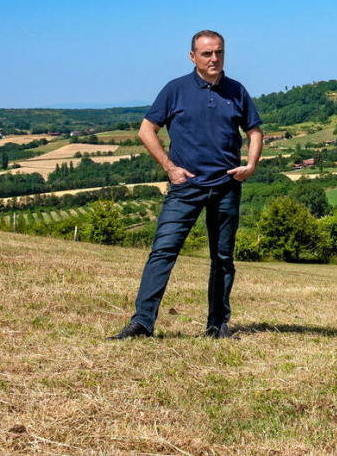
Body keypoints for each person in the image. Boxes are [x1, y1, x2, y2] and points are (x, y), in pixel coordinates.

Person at [108, 30, 263, 340]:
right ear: (193, 57)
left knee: (222, 258)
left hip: (226, 185)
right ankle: (142, 323)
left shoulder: (237, 90)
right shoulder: (175, 89)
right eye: (207, 54)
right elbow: (146, 130)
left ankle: (217, 326)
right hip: (186, 187)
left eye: (219, 52)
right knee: (163, 251)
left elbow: (255, 131)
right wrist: (169, 167)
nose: (214, 58)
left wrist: (250, 165)